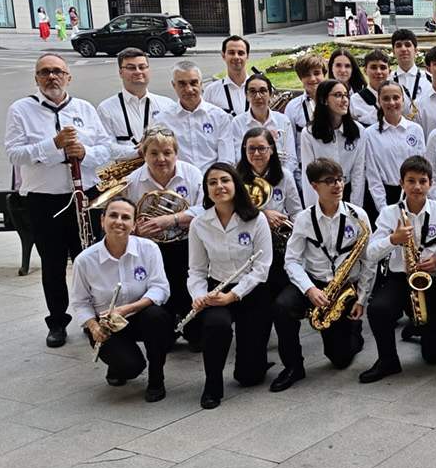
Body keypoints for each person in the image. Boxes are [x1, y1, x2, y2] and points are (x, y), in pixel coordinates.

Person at [5, 54, 115, 347]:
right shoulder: (21, 110)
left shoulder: (84, 109)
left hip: (85, 196)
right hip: (45, 199)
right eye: (45, 72)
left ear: (69, 77)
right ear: (36, 78)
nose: (51, 77)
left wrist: (84, 153)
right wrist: (53, 146)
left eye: (57, 72)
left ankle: (94, 320)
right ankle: (57, 322)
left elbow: (106, 149)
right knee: (53, 264)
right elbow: (15, 154)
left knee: (90, 260)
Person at [271, 158, 374, 391]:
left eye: (339, 179)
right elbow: (292, 260)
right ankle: (293, 366)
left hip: (345, 286)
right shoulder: (304, 220)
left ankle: (353, 334)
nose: (337, 185)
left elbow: (368, 261)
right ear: (314, 185)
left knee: (340, 359)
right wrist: (310, 289)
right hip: (315, 283)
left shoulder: (358, 216)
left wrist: (362, 298)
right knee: (281, 306)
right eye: (329, 181)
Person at [69, 195, 174, 402]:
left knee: (157, 316)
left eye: (126, 217)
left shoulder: (149, 248)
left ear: (134, 224)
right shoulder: (85, 260)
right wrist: (93, 327)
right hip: (107, 325)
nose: (119, 221)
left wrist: (126, 309)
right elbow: (81, 302)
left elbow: (160, 288)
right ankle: (118, 366)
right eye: (113, 216)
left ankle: (157, 377)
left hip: (140, 316)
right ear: (102, 220)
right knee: (132, 367)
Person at [187, 161, 273, 408]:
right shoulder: (199, 224)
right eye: (212, 183)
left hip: (252, 291)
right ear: (206, 189)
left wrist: (233, 295)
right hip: (217, 288)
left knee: (249, 377)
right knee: (216, 326)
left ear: (235, 183)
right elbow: (197, 270)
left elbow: (262, 268)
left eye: (224, 180)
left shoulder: (257, 219)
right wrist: (198, 295)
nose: (219, 186)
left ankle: (254, 362)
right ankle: (212, 384)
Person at [360, 155, 436, 382]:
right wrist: (393, 239)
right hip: (400, 278)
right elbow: (369, 253)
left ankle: (418, 326)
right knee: (378, 309)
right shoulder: (389, 213)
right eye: (411, 181)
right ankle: (388, 361)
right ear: (401, 184)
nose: (417, 187)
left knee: (434, 357)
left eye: (422, 181)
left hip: (433, 280)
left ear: (430, 183)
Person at [122, 125, 200, 325]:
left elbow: (206, 211)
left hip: (188, 245)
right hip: (150, 249)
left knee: (194, 323)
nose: (161, 159)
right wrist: (136, 230)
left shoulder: (193, 174)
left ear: (176, 153)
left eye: (167, 153)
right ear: (143, 154)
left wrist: (170, 219)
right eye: (153, 153)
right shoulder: (132, 182)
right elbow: (124, 217)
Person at [300, 78, 369, 210]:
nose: (344, 100)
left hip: (347, 192)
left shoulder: (358, 130)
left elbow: (358, 171)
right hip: (321, 193)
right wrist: (313, 209)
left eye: (346, 95)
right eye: (338, 95)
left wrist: (355, 208)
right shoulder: (309, 134)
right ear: (324, 100)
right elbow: (308, 174)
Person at [158, 62, 238, 174]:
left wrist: (213, 182)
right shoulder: (163, 121)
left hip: (213, 183)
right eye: (182, 84)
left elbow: (227, 158)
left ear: (201, 84)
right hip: (179, 184)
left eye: (193, 83)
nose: (189, 89)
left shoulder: (220, 117)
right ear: (173, 85)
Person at [236, 126, 301, 251]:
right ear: (244, 150)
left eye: (261, 148)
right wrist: (263, 215)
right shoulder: (236, 177)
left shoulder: (285, 175)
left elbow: (296, 212)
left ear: (271, 149)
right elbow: (232, 212)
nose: (256, 153)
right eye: (251, 149)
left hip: (279, 242)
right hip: (247, 241)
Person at [365, 82, 426, 209]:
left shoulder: (415, 129)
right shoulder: (370, 134)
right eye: (386, 99)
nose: (392, 103)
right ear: (379, 101)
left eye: (396, 98)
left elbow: (422, 167)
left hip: (414, 192)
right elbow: (373, 174)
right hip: (386, 196)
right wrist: (382, 207)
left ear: (403, 100)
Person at [98, 49, 175, 146]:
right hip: (126, 161)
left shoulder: (168, 104)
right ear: (120, 72)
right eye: (131, 68)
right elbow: (107, 148)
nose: (138, 71)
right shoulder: (106, 109)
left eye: (142, 67)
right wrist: (138, 152)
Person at [242, 73, 297, 169]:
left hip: (281, 178)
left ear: (270, 94)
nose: (258, 96)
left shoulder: (283, 120)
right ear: (246, 95)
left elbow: (291, 159)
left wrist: (279, 178)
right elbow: (238, 158)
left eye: (263, 91)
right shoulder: (237, 123)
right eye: (252, 91)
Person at [283, 53, 328, 147]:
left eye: (316, 73)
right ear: (300, 78)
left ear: (324, 74)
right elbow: (289, 143)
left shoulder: (335, 102)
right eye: (307, 75)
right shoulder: (292, 108)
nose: (312, 79)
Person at [210, 36, 254, 116]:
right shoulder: (211, 91)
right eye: (231, 53)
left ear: (247, 56)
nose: (236, 57)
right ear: (223, 55)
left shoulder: (261, 90)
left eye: (241, 53)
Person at [389, 28, 425, 118]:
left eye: (408, 45)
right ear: (393, 52)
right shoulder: (388, 80)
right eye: (398, 45)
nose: (403, 49)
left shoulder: (429, 80)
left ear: (416, 50)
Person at [349, 49, 390, 127]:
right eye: (373, 67)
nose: (378, 72)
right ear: (365, 71)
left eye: (383, 67)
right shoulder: (355, 100)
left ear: (389, 71)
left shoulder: (397, 97)